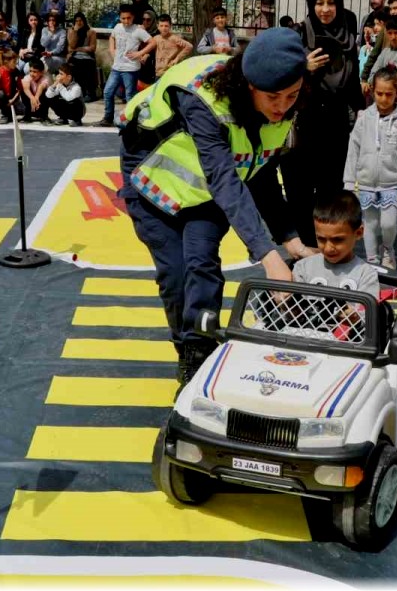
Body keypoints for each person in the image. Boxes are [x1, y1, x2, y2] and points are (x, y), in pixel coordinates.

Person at [119, 28, 314, 388]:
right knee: (176, 276)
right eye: (273, 97)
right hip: (153, 181)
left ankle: (199, 354)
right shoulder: (205, 100)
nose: (283, 106)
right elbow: (225, 178)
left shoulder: (284, 105)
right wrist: (268, 257)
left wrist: (289, 238)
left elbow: (258, 168)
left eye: (292, 95)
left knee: (202, 264)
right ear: (248, 85)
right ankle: (187, 352)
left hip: (204, 192)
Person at [286, 0, 364, 247]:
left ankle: (327, 245)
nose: (326, 9)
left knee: (331, 189)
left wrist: (362, 109)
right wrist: (303, 68)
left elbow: (353, 76)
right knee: (300, 190)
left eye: (331, 2)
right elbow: (281, 76)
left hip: (336, 122)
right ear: (311, 3)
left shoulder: (348, 31)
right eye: (319, 3)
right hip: (304, 122)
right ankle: (304, 246)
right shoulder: (297, 34)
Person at [344, 67, 397, 269]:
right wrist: (350, 179)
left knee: (388, 224)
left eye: (389, 94)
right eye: (379, 93)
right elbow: (353, 149)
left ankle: (387, 249)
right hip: (366, 182)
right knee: (370, 223)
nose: (383, 99)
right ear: (372, 91)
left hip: (391, 182)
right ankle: (372, 260)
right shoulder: (364, 118)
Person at [293, 190, 381, 297]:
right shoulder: (302, 268)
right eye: (321, 239)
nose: (328, 248)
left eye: (338, 240)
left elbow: (367, 312)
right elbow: (289, 311)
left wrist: (351, 313)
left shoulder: (366, 275)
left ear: (358, 233)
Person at [97, 3, 156, 128]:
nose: (126, 21)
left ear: (133, 17)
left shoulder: (138, 30)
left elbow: (152, 42)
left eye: (128, 18)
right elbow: (112, 37)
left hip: (130, 69)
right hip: (116, 68)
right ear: (119, 18)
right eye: (123, 18)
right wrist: (112, 50)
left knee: (130, 95)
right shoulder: (118, 27)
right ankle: (108, 118)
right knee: (108, 92)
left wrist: (139, 53)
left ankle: (131, 119)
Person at [367, 14, 397, 82]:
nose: (393, 37)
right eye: (390, 33)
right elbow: (372, 75)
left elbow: (392, 76)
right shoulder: (385, 51)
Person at [67, 11, 99, 101]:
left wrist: (78, 49)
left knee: (86, 64)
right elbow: (71, 47)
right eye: (76, 21)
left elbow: (92, 48)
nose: (79, 22)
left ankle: (90, 93)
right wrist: (75, 32)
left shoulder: (91, 32)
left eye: (80, 20)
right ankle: (78, 92)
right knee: (75, 65)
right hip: (74, 56)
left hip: (87, 57)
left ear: (84, 21)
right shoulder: (71, 31)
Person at [152, 13, 192, 80]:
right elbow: (150, 47)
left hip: (170, 72)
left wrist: (177, 58)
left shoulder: (174, 38)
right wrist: (145, 55)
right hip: (158, 73)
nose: (163, 28)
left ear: (170, 26)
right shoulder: (156, 38)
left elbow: (189, 46)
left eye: (166, 26)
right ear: (157, 26)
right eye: (161, 26)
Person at [0, 51, 23, 124]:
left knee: (23, 110)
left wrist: (13, 100)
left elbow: (19, 89)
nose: (16, 64)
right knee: (0, 94)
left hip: (13, 98)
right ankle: (4, 114)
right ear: (6, 62)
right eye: (14, 62)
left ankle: (13, 111)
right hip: (3, 98)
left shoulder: (16, 71)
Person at [19, 58, 50, 123]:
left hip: (40, 104)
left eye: (35, 71)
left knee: (47, 92)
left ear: (41, 72)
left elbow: (41, 87)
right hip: (31, 104)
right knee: (23, 91)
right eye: (30, 71)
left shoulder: (45, 78)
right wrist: (32, 98)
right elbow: (26, 88)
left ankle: (44, 116)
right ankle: (27, 116)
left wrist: (36, 98)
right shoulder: (27, 77)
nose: (31, 74)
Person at [137, 9, 159, 90]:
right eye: (143, 19)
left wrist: (147, 54)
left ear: (153, 20)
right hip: (138, 57)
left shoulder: (157, 33)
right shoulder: (139, 30)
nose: (145, 22)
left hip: (151, 58)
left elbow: (157, 47)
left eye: (148, 20)